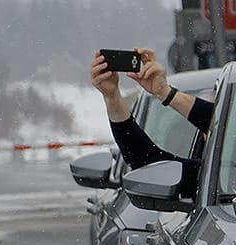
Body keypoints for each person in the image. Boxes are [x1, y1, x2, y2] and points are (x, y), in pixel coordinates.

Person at [89, 48, 214, 195]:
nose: (206, 133)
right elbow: (147, 162)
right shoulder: (214, 177)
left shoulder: (219, 179)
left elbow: (213, 122)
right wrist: (112, 97)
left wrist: (166, 93)